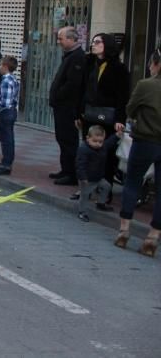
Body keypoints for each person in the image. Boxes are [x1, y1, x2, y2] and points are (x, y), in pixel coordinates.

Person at [115, 47, 161, 256]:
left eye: (152, 62)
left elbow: (130, 108)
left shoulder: (146, 85)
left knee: (132, 181)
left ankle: (124, 230)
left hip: (146, 140)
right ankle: (153, 236)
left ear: (157, 64)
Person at [79, 33, 129, 198]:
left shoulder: (118, 68)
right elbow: (82, 89)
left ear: (106, 45)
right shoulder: (89, 63)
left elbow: (123, 96)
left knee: (106, 153)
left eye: (98, 42)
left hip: (108, 116)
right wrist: (78, 113)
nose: (94, 45)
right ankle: (86, 189)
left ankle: (104, 191)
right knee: (87, 151)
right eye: (93, 42)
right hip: (89, 113)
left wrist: (120, 119)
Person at [49, 26, 86, 186]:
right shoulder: (69, 56)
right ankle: (65, 169)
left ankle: (71, 174)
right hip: (61, 106)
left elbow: (73, 84)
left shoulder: (78, 57)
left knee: (68, 140)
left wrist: (58, 95)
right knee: (62, 138)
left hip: (68, 106)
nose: (59, 42)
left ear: (71, 39)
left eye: (61, 38)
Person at [76, 125, 118, 222]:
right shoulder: (84, 150)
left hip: (98, 177)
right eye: (95, 141)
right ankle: (82, 212)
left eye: (100, 141)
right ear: (88, 138)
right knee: (85, 195)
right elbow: (80, 165)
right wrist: (83, 177)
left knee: (107, 186)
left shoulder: (103, 146)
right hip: (87, 179)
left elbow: (109, 143)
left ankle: (101, 203)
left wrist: (117, 135)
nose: (98, 144)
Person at [0, 56, 20, 176]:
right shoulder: (13, 79)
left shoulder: (6, 81)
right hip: (11, 111)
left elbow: (5, 102)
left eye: (1, 65)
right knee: (7, 138)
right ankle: (5, 161)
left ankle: (6, 164)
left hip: (5, 112)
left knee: (6, 139)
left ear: (5, 67)